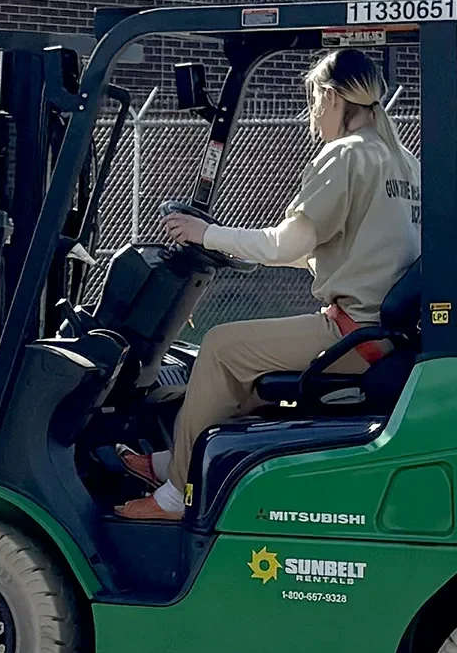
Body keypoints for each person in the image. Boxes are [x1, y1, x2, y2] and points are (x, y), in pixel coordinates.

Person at [115, 48, 421, 521]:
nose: (313, 113)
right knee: (244, 368)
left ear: (332, 97)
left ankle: (176, 495)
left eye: (315, 100)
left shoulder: (344, 156)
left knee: (220, 346)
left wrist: (204, 234)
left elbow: (284, 244)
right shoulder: (402, 160)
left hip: (352, 333)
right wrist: (231, 247)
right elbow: (328, 249)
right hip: (379, 330)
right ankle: (173, 460)